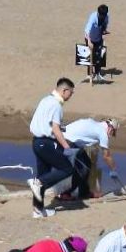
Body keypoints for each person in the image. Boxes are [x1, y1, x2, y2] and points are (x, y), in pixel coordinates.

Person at [27, 78, 76, 217]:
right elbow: (55, 129)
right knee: (67, 169)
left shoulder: (45, 100)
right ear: (64, 90)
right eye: (71, 93)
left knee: (43, 175)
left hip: (36, 142)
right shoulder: (56, 105)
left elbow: (48, 123)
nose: (70, 96)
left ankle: (38, 210)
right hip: (45, 143)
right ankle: (39, 184)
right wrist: (67, 147)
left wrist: (60, 128)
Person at [64, 116, 122, 196]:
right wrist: (113, 170)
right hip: (68, 142)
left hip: (71, 140)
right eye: (113, 132)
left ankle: (84, 192)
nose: (112, 135)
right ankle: (65, 194)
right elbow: (106, 156)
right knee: (83, 169)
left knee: (87, 163)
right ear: (110, 128)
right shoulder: (103, 133)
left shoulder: (96, 124)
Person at [82, 5, 108, 84]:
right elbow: (86, 31)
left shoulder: (106, 17)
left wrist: (103, 32)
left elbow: (105, 25)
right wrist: (89, 42)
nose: (103, 17)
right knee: (89, 56)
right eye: (101, 16)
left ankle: (97, 73)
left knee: (98, 56)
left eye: (104, 16)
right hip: (89, 38)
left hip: (98, 38)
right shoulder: (93, 17)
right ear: (98, 13)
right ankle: (89, 74)